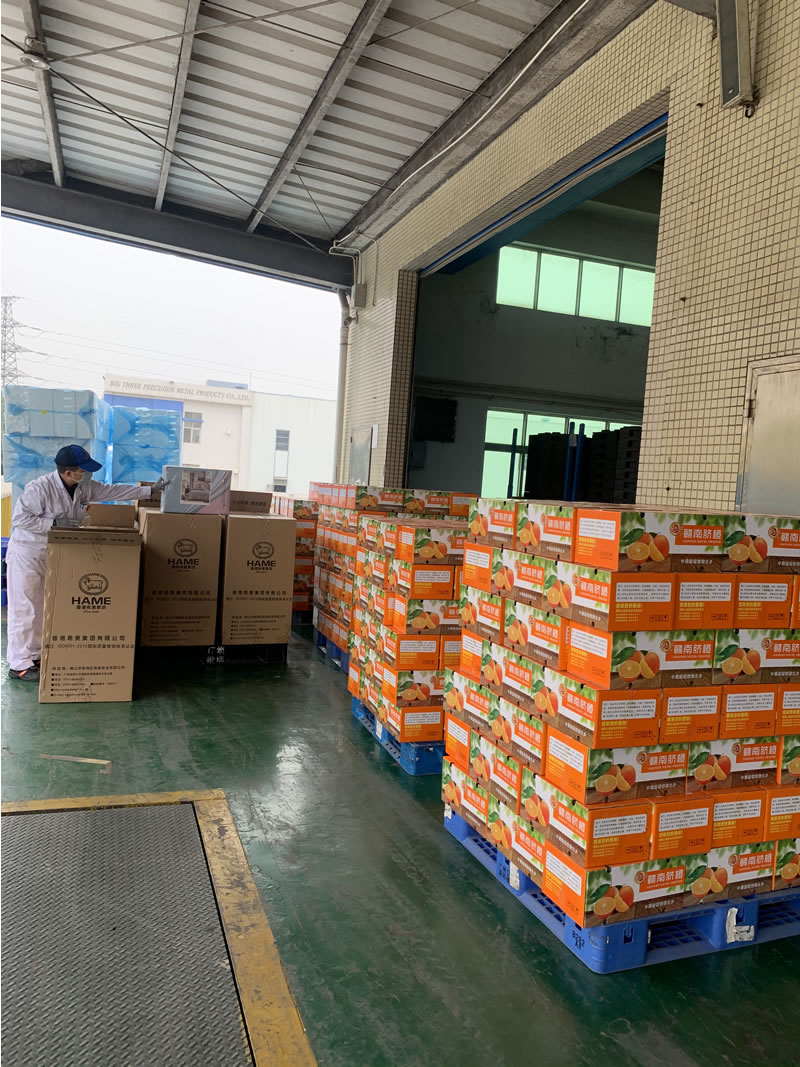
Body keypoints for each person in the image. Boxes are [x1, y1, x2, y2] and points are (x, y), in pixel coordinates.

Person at [6, 445, 169, 682]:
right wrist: (54, 523)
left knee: (41, 607)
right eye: (83, 470)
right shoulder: (40, 488)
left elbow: (112, 491)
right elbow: (20, 519)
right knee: (24, 608)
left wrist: (149, 491)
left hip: (51, 552)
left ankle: (34, 655)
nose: (87, 474)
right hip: (27, 553)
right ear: (68, 472)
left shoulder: (84, 487)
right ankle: (18, 664)